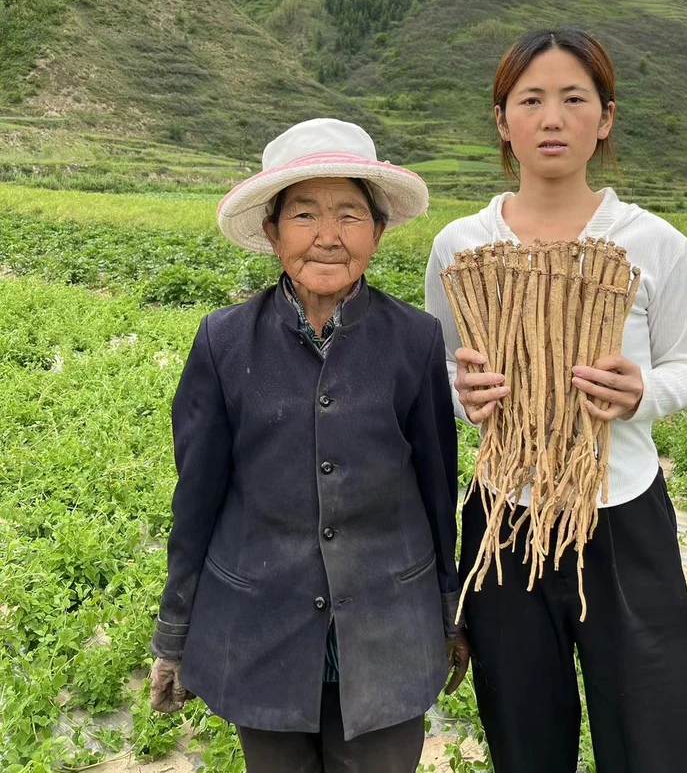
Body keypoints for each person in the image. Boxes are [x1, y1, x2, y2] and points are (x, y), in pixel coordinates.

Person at [425, 29, 687, 773]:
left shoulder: (651, 243)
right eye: (531, 100)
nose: (552, 118)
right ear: (502, 120)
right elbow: (443, 377)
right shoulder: (462, 246)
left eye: (573, 99)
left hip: (624, 520)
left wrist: (643, 389)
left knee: (653, 737)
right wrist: (467, 398)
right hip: (503, 522)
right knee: (525, 740)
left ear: (605, 118)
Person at [149, 118, 470, 773]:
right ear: (272, 232)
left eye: (350, 214)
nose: (328, 236)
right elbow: (198, 500)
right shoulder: (223, 341)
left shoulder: (413, 341)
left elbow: (439, 490)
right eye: (304, 215)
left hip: (388, 632)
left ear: (377, 231)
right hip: (261, 630)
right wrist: (173, 634)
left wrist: (447, 611)